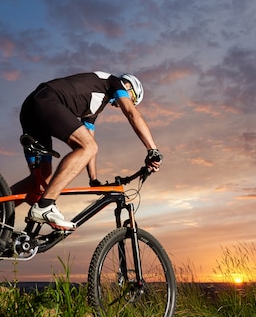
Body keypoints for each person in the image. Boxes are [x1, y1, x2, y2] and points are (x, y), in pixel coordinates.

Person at [11, 71, 163, 230]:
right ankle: (45, 205)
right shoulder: (114, 83)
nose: (124, 103)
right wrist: (153, 150)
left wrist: (94, 180)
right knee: (87, 147)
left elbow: (90, 139)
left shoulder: (94, 107)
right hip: (47, 101)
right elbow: (132, 114)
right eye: (131, 99)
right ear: (128, 87)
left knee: (41, 182)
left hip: (32, 106)